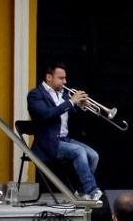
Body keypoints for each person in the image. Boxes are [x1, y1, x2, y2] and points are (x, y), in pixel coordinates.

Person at [25, 61, 102, 200]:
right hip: (47, 143)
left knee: (94, 155)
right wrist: (71, 102)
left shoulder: (64, 94)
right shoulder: (35, 95)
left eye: (65, 78)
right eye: (61, 78)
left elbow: (68, 112)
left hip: (64, 139)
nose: (65, 81)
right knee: (79, 151)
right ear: (49, 77)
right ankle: (91, 190)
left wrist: (82, 105)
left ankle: (81, 192)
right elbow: (47, 114)